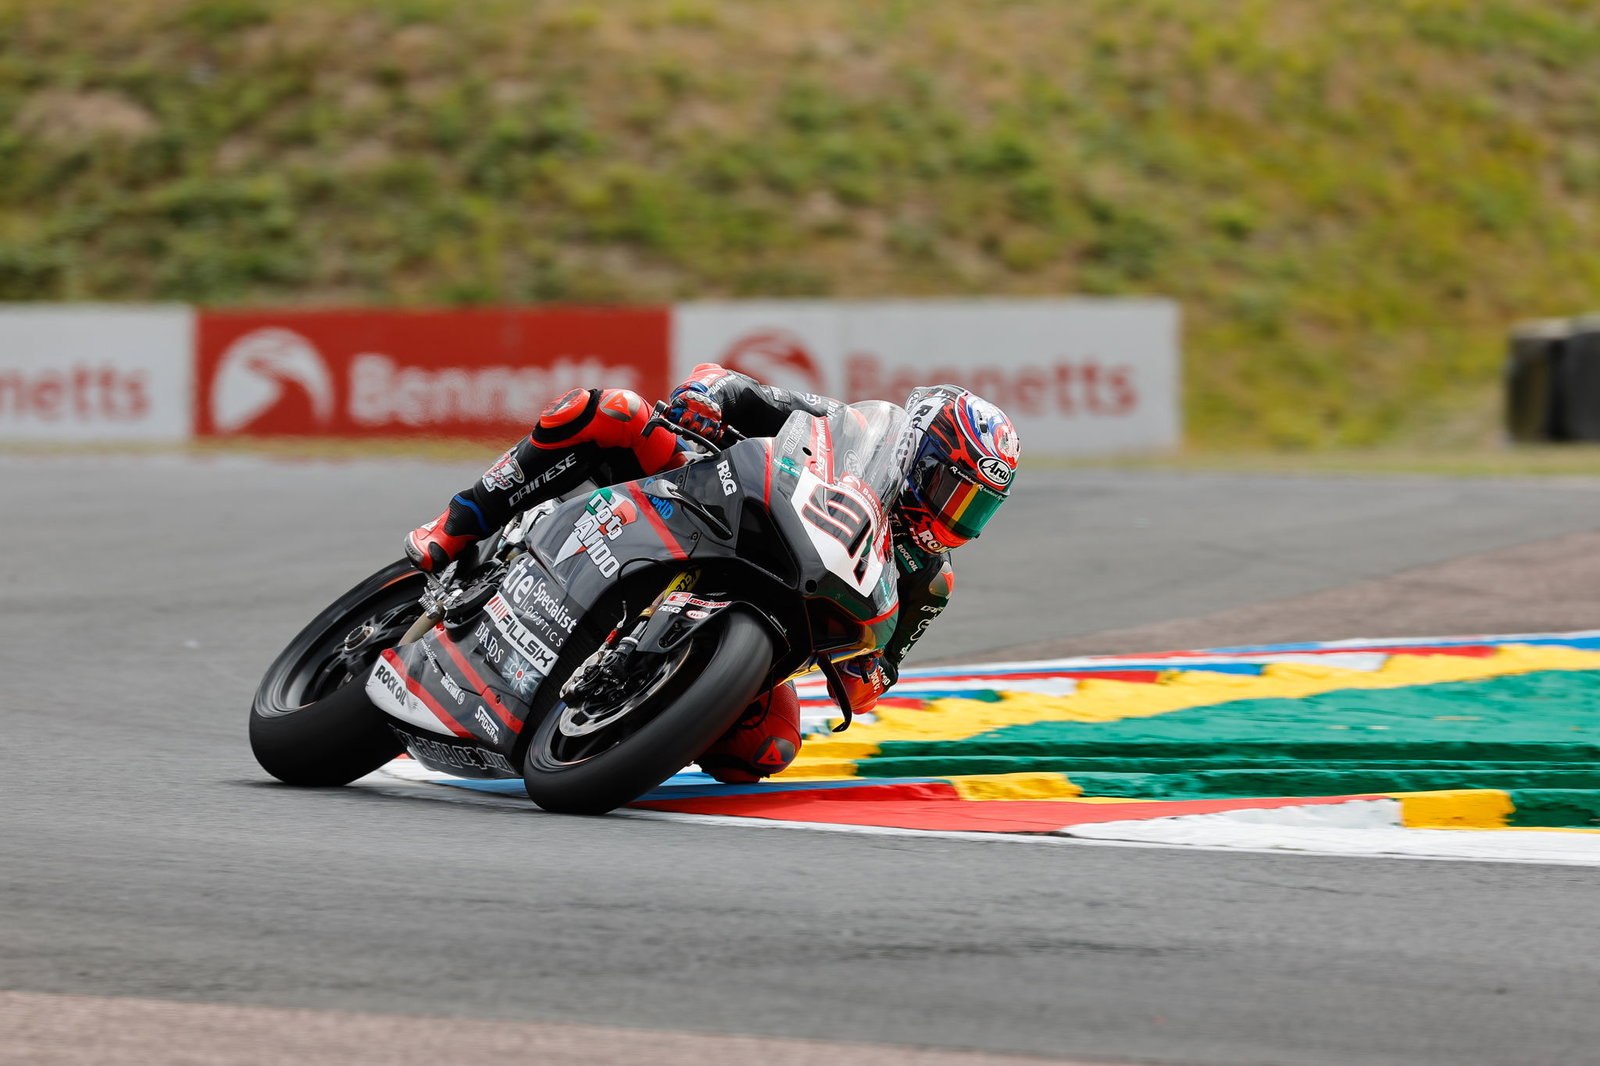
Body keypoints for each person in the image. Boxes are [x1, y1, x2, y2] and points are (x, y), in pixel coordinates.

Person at [404, 364, 1020, 782]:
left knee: (767, 746)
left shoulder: (929, 581)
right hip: (707, 502)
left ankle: (628, 725)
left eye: (975, 509)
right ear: (918, 453)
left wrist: (861, 671)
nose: (951, 516)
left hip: (777, 611)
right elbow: (730, 385)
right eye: (950, 489)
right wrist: (704, 401)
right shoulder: (846, 428)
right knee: (610, 411)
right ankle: (456, 525)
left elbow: (881, 668)